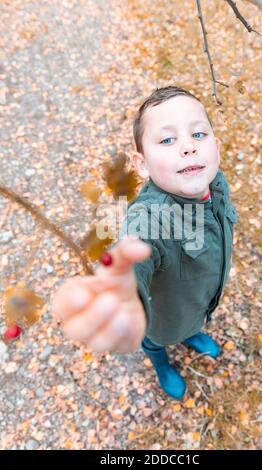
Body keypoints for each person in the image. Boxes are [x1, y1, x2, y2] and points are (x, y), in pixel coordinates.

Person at [52, 86, 238, 400]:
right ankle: (160, 361)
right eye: (167, 140)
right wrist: (122, 286)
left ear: (216, 149)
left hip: (198, 299)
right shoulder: (151, 218)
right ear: (142, 165)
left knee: (192, 320)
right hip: (162, 320)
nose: (188, 147)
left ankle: (193, 331)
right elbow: (134, 247)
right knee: (155, 339)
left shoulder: (216, 184)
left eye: (198, 135)